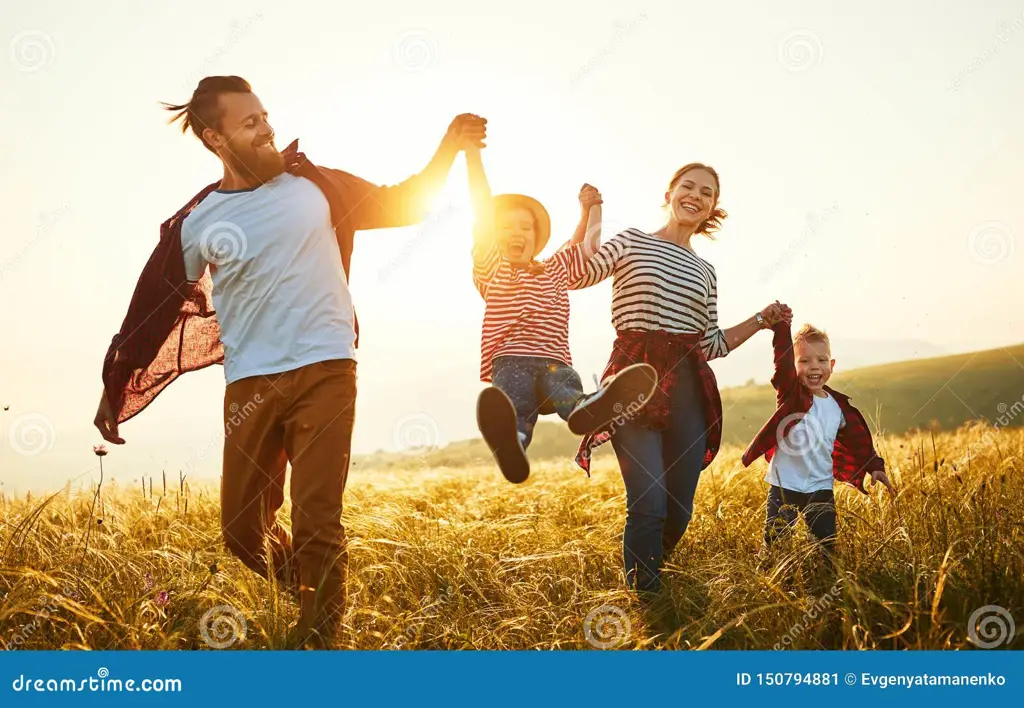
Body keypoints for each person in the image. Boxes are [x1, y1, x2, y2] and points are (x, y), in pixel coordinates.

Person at [92, 75, 486, 647]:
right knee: (241, 531)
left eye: (265, 115)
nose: (267, 127)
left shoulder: (315, 186)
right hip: (250, 383)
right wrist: (116, 385)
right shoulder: (199, 221)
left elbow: (406, 201)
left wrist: (448, 145)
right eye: (249, 122)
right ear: (214, 138)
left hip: (326, 370)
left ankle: (320, 637)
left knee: (316, 519)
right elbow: (153, 310)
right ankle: (317, 590)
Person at [571, 163, 792, 594]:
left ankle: (651, 571)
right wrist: (590, 214)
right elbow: (581, 273)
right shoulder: (632, 241)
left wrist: (761, 319)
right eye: (687, 186)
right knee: (648, 501)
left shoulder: (706, 271)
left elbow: (710, 343)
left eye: (706, 193)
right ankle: (647, 600)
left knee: (677, 509)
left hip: (690, 385)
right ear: (669, 192)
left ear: (712, 207)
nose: (695, 195)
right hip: (634, 380)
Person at [465, 145, 657, 483]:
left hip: (555, 363)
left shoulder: (555, 269)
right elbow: (481, 211)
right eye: (506, 228)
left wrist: (592, 208)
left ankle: (588, 410)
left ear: (537, 239)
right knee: (516, 408)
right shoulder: (493, 268)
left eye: (525, 228)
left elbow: (587, 246)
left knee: (568, 392)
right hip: (511, 361)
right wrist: (472, 157)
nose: (516, 233)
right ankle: (514, 446)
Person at [741, 321, 894, 565]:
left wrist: (875, 466)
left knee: (827, 549)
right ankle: (770, 581)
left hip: (820, 488)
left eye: (822, 360)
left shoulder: (838, 406)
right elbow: (781, 360)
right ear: (793, 367)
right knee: (776, 545)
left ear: (831, 365)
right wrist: (782, 326)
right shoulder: (790, 394)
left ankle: (826, 585)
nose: (814, 366)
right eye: (804, 361)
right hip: (784, 486)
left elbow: (859, 442)